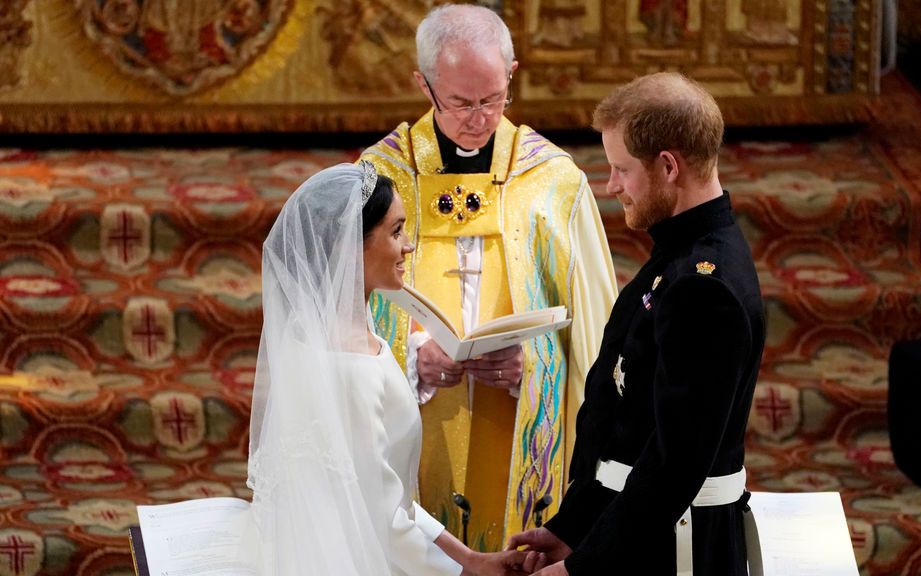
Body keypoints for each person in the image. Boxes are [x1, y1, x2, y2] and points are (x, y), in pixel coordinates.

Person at [359, 4, 617, 548]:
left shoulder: (554, 181)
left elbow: (597, 334)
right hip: (419, 423)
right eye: (459, 102)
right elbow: (340, 310)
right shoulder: (379, 176)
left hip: (521, 428)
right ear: (423, 86)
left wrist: (536, 366)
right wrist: (411, 360)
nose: (479, 118)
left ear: (512, 75)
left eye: (493, 99)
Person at [507, 72, 767, 575]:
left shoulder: (702, 286)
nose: (612, 186)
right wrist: (574, 525)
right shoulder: (679, 254)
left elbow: (674, 465)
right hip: (641, 531)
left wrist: (584, 566)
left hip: (675, 546)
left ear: (668, 166)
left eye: (622, 169)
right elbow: (625, 420)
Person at [246, 161, 545, 575]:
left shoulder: (331, 334)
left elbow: (391, 497)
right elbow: (382, 517)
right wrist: (463, 572)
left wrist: (472, 558)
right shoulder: (349, 363)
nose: (408, 247)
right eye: (396, 231)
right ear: (353, 246)